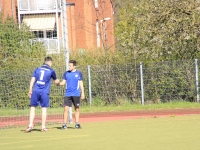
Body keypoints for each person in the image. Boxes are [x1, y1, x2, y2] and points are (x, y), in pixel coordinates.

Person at [24, 56, 60, 132]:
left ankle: (30, 125)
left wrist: (30, 89)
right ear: (50, 62)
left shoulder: (37, 69)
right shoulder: (51, 71)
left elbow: (32, 79)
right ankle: (43, 126)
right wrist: (59, 82)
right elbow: (56, 81)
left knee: (32, 107)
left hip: (35, 90)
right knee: (44, 108)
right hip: (44, 92)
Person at [58, 60, 85, 129]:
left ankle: (77, 124)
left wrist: (83, 93)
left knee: (77, 109)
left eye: (70, 65)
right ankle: (64, 124)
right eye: (68, 65)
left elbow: (81, 83)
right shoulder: (66, 73)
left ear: (74, 66)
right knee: (66, 109)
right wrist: (58, 83)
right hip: (68, 94)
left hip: (76, 94)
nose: (69, 67)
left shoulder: (78, 73)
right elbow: (63, 82)